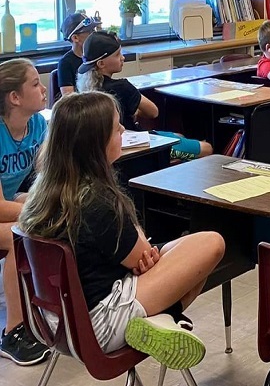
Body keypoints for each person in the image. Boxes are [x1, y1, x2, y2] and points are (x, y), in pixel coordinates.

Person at [18, 91, 225, 367]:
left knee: (181, 247)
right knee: (212, 243)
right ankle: (164, 319)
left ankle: (163, 320)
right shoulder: (96, 200)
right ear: (96, 143)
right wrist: (141, 246)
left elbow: (138, 252)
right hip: (98, 323)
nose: (124, 130)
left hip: (57, 321)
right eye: (117, 128)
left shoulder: (44, 188)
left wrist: (142, 249)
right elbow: (141, 256)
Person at [76, 32, 211, 161]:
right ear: (101, 63)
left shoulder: (86, 88)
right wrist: (134, 110)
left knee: (178, 136)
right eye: (117, 55)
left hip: (115, 146)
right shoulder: (122, 87)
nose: (122, 58)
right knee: (207, 148)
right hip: (137, 144)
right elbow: (153, 112)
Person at [0, 60, 50, 365]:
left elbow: (44, 179)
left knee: (54, 219)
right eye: (34, 84)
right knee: (21, 235)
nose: (44, 88)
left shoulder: (39, 125)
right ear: (14, 98)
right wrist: (38, 208)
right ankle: (13, 333)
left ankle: (48, 313)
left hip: (11, 200)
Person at [57, 12, 101, 96]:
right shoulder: (65, 63)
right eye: (90, 31)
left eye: (94, 30)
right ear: (75, 38)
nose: (94, 34)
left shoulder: (97, 56)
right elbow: (69, 99)